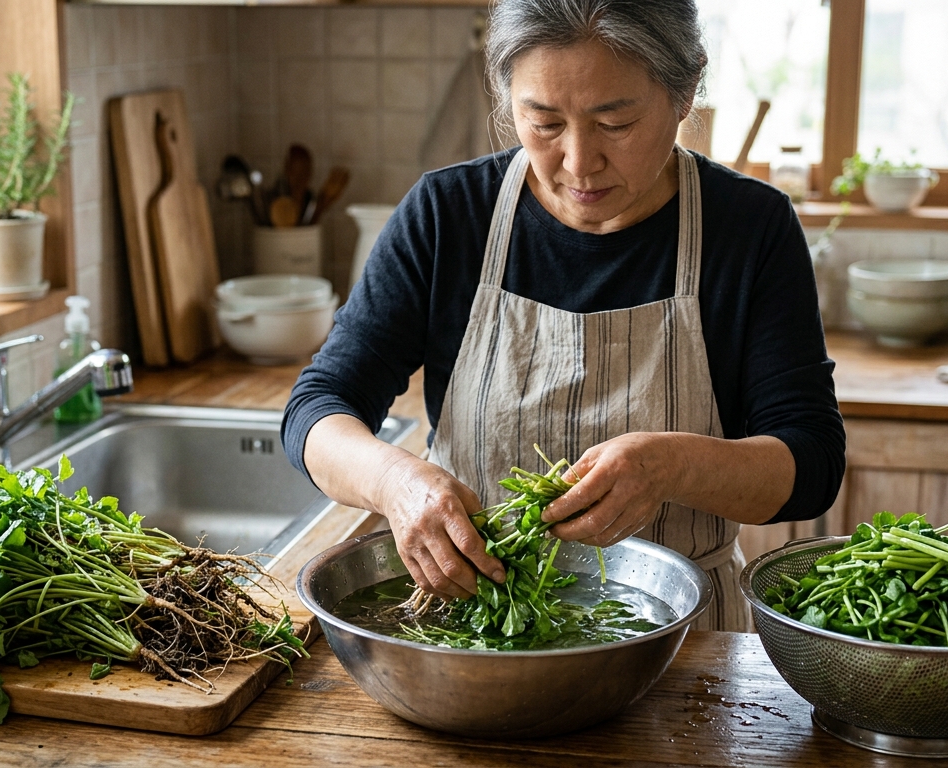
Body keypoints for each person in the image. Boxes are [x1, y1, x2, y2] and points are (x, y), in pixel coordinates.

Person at [283, 0, 845, 630]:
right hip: (477, 632)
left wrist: (669, 466)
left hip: (680, 648)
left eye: (616, 123)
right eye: (544, 122)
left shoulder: (750, 228)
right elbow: (318, 408)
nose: (578, 162)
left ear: (685, 92)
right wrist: (396, 482)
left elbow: (811, 462)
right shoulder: (448, 215)